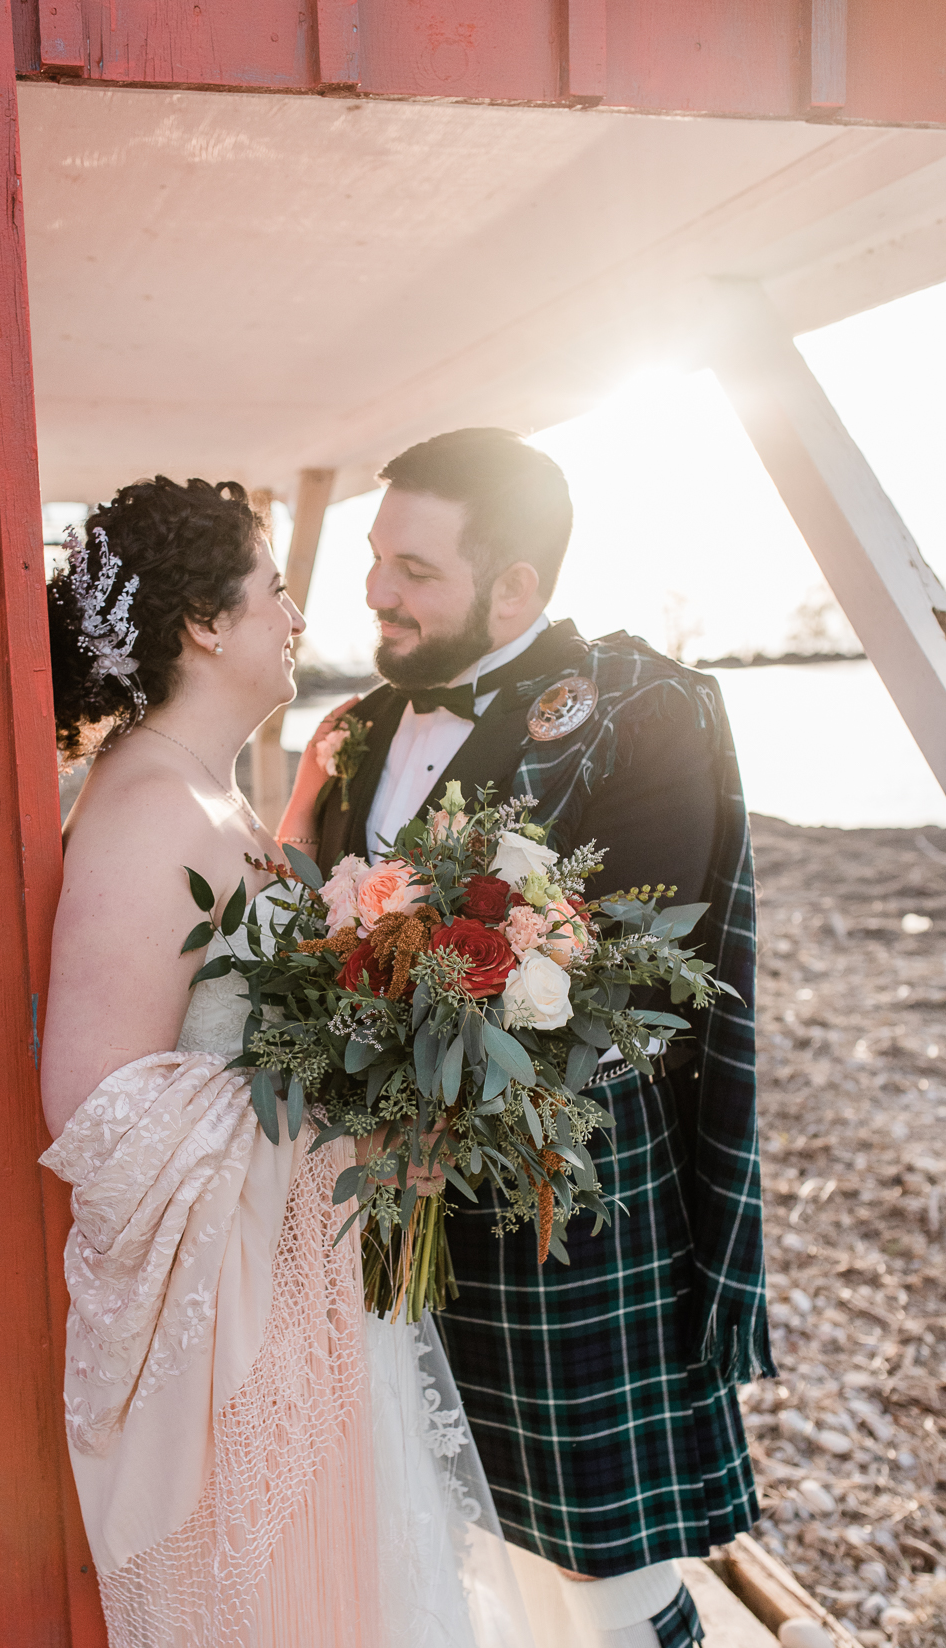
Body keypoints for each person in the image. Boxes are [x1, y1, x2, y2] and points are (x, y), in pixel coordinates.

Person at [281, 428, 776, 1648]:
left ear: (515, 588)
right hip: (379, 1219)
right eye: (375, 558)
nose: (378, 593)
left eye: (415, 569)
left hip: (557, 1216)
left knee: (599, 1587)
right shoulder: (349, 733)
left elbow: (625, 980)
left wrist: (437, 1124)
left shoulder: (640, 710)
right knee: (436, 1552)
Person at [39, 474, 534, 1648]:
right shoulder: (147, 805)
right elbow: (95, 1105)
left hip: (293, 1305)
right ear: (205, 623)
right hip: (234, 1339)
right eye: (276, 587)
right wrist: (339, 1132)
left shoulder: (211, 794)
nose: (297, 612)